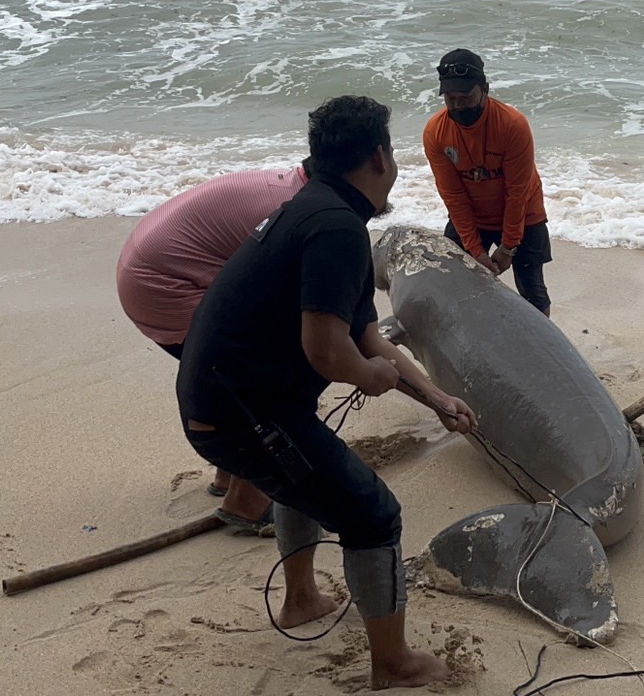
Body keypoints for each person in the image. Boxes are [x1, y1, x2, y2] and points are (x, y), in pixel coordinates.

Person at [176, 95, 478, 689]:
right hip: (242, 417)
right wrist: (372, 380)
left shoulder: (318, 210)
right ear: (380, 158)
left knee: (304, 481)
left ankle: (302, 599)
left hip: (227, 403)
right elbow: (329, 351)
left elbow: (366, 335)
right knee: (373, 514)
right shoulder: (336, 229)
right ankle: (392, 665)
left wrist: (435, 397)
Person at [116, 164, 309, 530]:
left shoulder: (291, 187)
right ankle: (246, 500)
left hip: (145, 272)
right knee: (261, 372)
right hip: (164, 286)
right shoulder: (303, 213)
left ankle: (228, 474)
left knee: (238, 369)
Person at [422, 48, 554, 315]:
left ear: (485, 89)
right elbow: (453, 197)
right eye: (450, 98)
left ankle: (542, 352)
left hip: (523, 214)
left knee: (533, 293)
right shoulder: (436, 132)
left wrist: (508, 246)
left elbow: (518, 191)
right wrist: (475, 249)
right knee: (452, 283)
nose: (458, 106)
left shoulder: (512, 125)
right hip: (473, 215)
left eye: (466, 98)